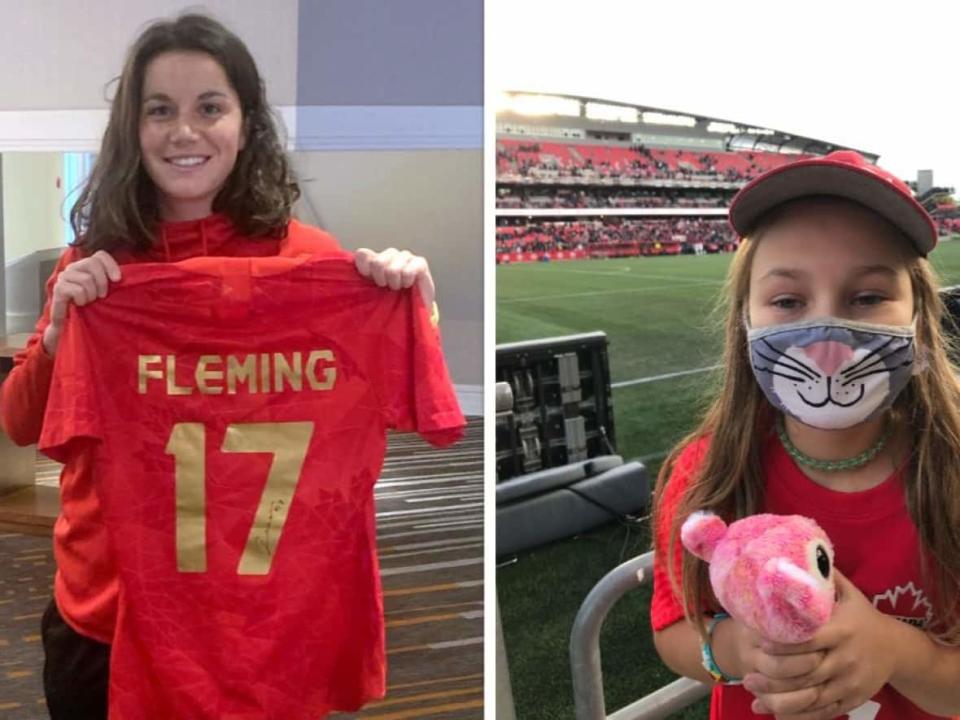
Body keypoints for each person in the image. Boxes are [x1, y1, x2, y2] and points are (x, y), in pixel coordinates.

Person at [0, 13, 448, 719]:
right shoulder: (95, 267)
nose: (185, 131)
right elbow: (20, 422)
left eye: (210, 107)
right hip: (110, 612)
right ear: (133, 130)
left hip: (259, 621)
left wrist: (403, 306)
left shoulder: (314, 265)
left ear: (245, 123)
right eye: (160, 111)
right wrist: (59, 331)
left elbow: (397, 403)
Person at [650, 150, 960, 720]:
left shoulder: (953, 464)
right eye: (788, 301)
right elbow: (674, 628)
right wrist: (740, 650)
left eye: (867, 297)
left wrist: (899, 653)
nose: (825, 340)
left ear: (920, 318)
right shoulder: (705, 470)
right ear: (745, 320)